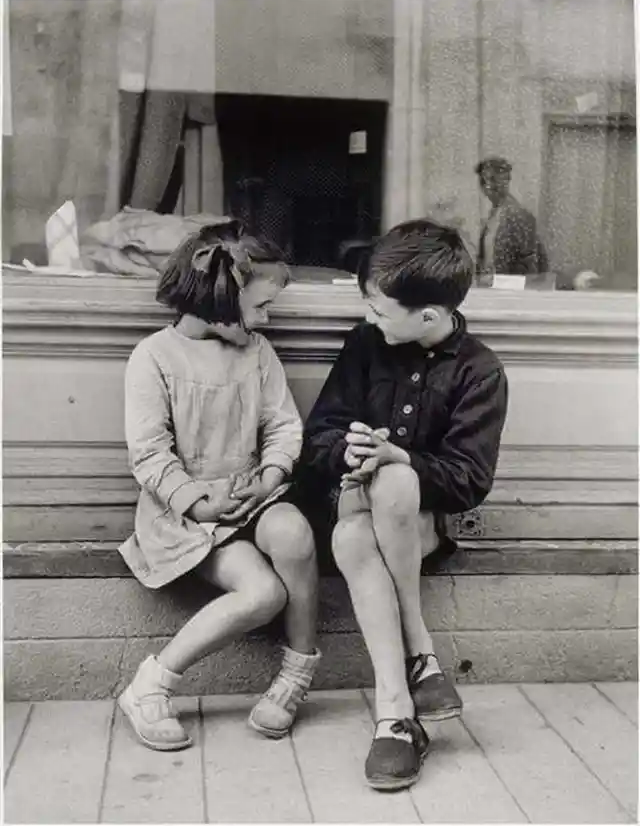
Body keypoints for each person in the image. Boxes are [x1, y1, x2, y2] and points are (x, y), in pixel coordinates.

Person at [297, 219, 508, 791]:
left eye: (381, 310)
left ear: (430, 317)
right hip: (352, 502)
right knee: (369, 498)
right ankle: (423, 659)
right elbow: (319, 437)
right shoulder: (366, 345)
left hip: (419, 527)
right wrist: (351, 450)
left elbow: (469, 480)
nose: (370, 319)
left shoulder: (479, 370)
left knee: (380, 502)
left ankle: (395, 712)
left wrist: (398, 457)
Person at [118, 219, 320, 751]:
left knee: (295, 532)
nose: (267, 318)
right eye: (260, 307)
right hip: (187, 515)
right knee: (263, 592)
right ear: (221, 297)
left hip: (252, 496)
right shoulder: (154, 358)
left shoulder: (256, 353)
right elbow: (150, 454)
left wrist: (272, 476)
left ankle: (295, 675)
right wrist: (201, 504)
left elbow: (282, 427)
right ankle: (151, 685)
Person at [475, 157, 548, 279]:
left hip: (510, 290)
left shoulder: (518, 215)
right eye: (486, 181)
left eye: (497, 180)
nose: (491, 186)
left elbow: (531, 263)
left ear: (507, 180)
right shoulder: (492, 217)